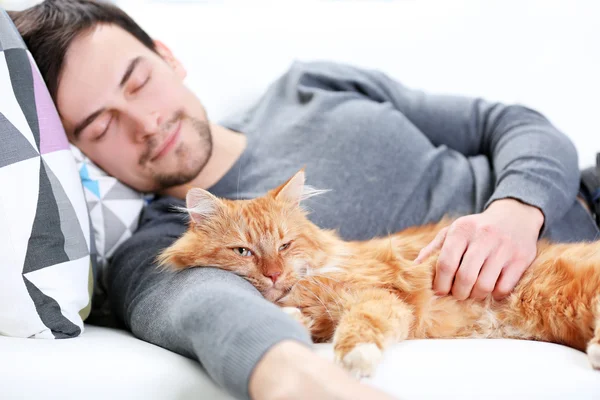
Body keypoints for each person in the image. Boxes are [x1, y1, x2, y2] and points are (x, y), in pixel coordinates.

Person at [9, 1, 599, 399]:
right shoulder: (163, 241)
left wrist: (517, 211)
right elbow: (200, 308)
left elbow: (511, 122)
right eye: (99, 124)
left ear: (168, 57)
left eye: (136, 81)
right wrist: (284, 369)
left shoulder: (308, 83)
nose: (143, 121)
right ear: (78, 151)